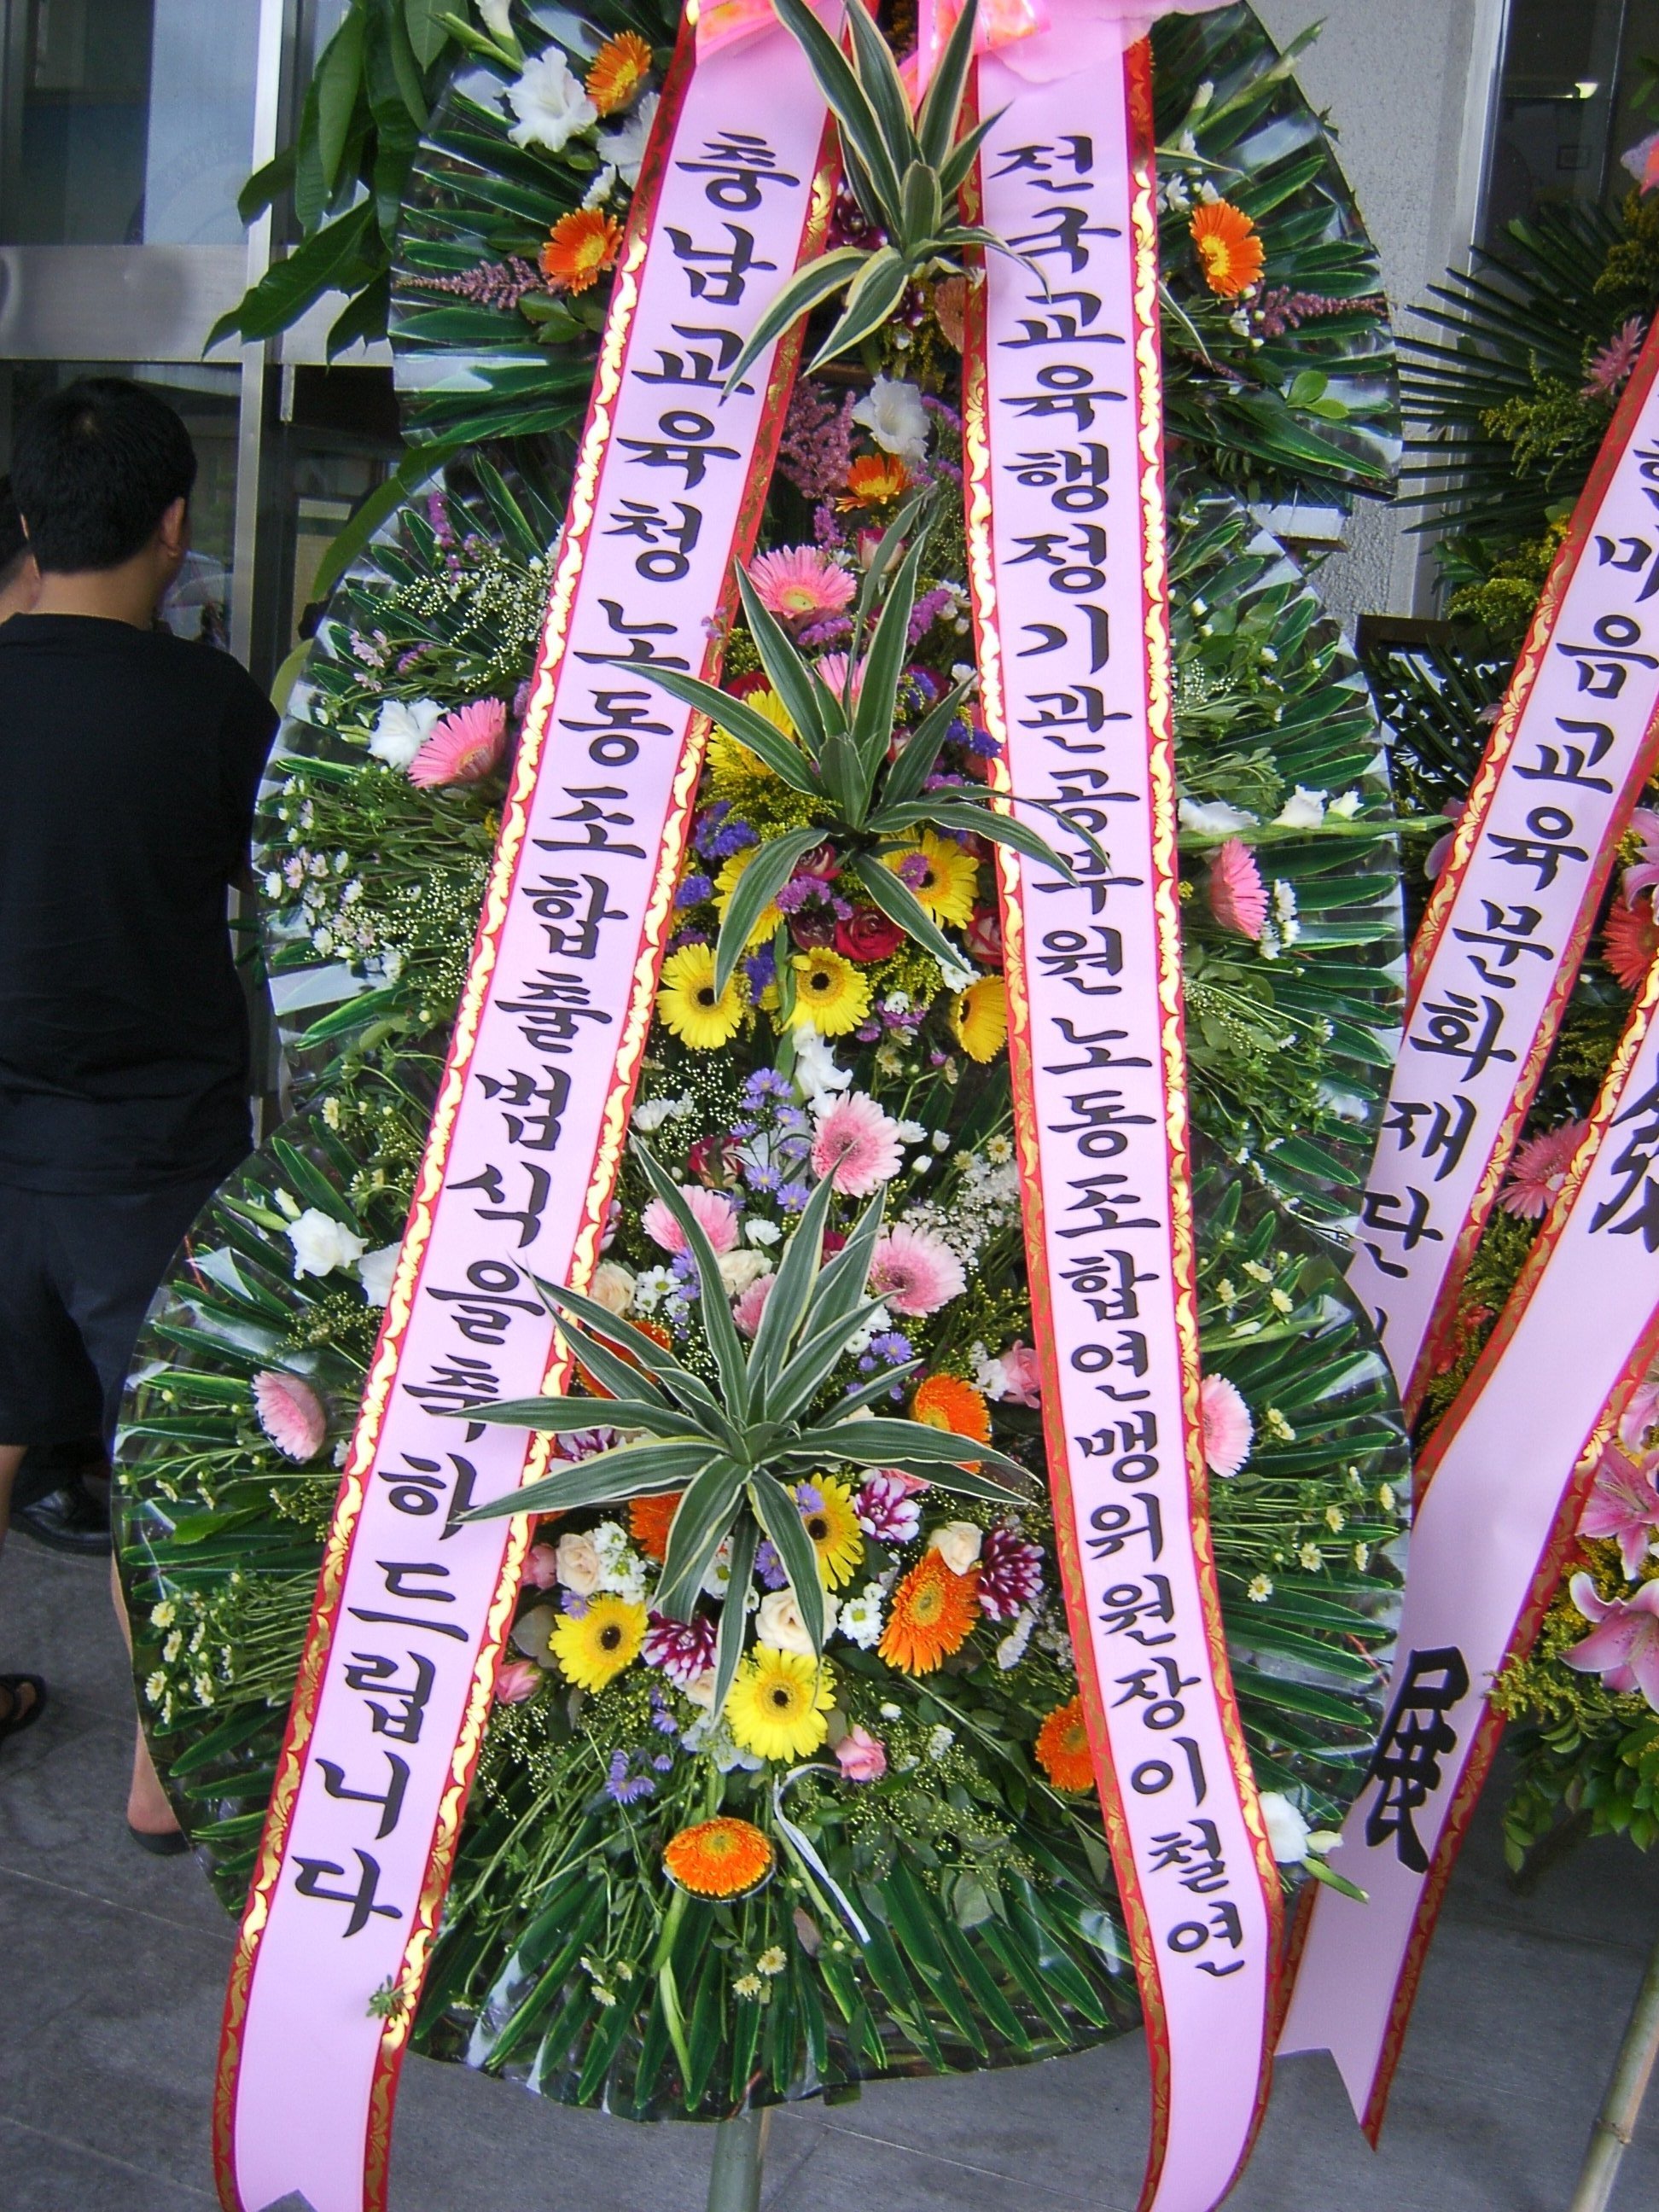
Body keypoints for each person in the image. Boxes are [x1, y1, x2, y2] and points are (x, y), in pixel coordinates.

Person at [0, 381, 278, 1841]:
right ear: (177, 527)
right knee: (156, 1446)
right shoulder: (210, 708)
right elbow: (284, 891)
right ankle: (160, 1780)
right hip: (150, 1157)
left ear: (28, 519)